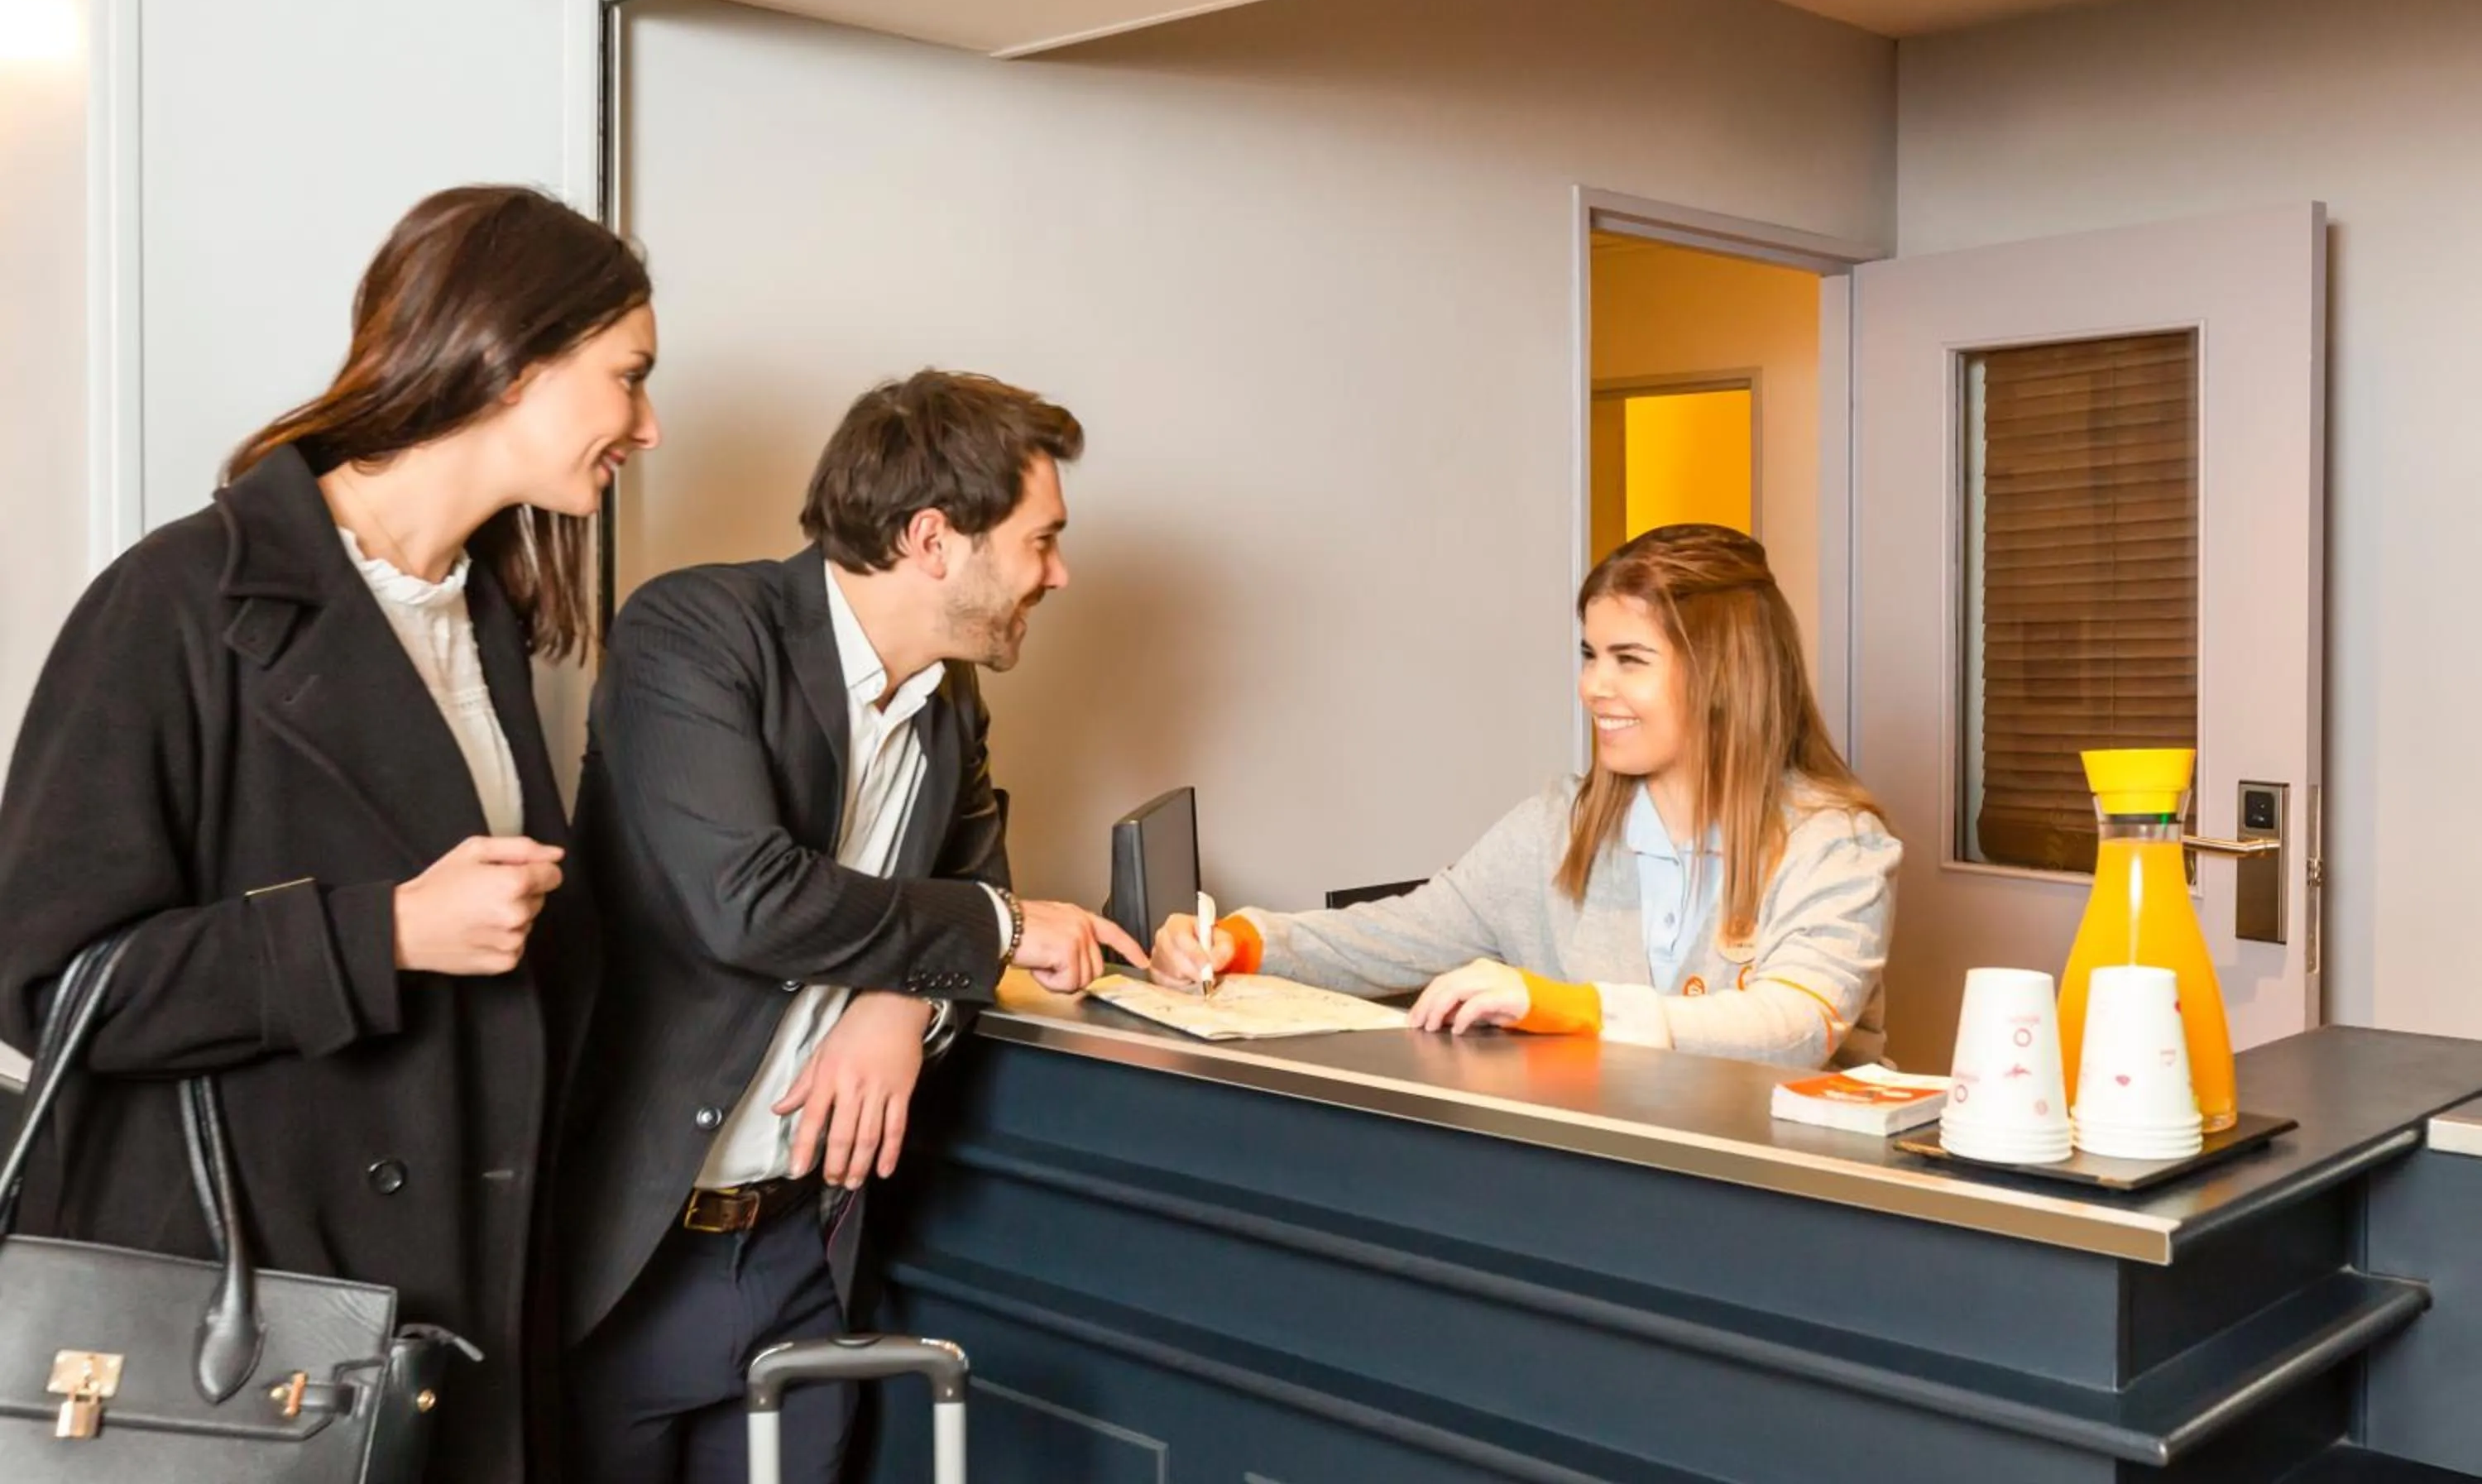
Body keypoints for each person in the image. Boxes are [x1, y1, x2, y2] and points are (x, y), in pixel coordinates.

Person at [0, 184, 662, 1482]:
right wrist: (385, 933)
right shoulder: (182, 600)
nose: (646, 423)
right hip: (248, 1325)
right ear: (512, 360)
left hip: (450, 1308)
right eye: (628, 378)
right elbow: (43, 979)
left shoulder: (482, 624)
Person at [559, 368, 1144, 1484]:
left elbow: (969, 903)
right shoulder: (693, 632)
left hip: (805, 1254)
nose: (1059, 573)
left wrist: (902, 1003)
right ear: (934, 539)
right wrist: (990, 930)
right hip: (633, 1256)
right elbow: (753, 903)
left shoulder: (954, 700)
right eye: (1040, 540)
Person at [1152, 524, 1900, 1070]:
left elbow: (1797, 1024)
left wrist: (1565, 1008)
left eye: (1629, 660)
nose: (1593, 687)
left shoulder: (1833, 842)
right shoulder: (1558, 828)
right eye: (1589, 656)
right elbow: (1406, 931)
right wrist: (1244, 943)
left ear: (1726, 676)